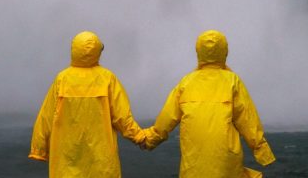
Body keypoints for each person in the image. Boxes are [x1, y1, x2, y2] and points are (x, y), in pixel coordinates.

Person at [142, 30, 275, 178]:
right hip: (225, 161)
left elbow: (166, 119)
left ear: (198, 51)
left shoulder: (186, 83)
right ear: (224, 51)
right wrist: (262, 151)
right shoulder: (232, 81)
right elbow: (248, 120)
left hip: (193, 162)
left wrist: (149, 139)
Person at [29, 30, 146, 177]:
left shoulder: (62, 79)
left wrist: (39, 149)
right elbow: (122, 117)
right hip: (101, 162)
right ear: (97, 51)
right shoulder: (107, 79)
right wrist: (140, 137)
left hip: (66, 160)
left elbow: (46, 117)